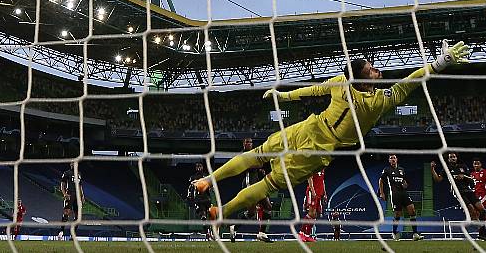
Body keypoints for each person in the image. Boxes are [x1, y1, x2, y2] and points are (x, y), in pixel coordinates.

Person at [190, 42, 471, 233]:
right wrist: (437, 65)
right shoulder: (378, 102)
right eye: (372, 70)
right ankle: (219, 208)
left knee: (259, 155)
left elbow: (313, 91)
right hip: (320, 144)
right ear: (362, 79)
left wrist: (284, 95)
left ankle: (208, 186)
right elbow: (408, 83)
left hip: (310, 127)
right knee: (268, 180)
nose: (378, 71)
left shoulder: (342, 83)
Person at [431, 152, 486, 241]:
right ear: (448, 159)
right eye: (451, 157)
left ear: (456, 158)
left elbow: (471, 178)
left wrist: (464, 176)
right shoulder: (446, 169)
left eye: (454, 156)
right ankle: (483, 232)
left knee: (482, 209)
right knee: (472, 210)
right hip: (458, 192)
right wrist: (432, 169)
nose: (453, 158)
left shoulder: (463, 166)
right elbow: (438, 179)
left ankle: (482, 233)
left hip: (469, 191)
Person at [232, 138, 273, 243]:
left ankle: (235, 228)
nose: (249, 144)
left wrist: (260, 169)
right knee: (265, 207)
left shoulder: (253, 154)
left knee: (253, 212)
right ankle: (261, 233)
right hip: (249, 184)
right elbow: (250, 166)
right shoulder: (242, 155)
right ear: (243, 144)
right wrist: (258, 165)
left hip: (256, 183)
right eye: (247, 142)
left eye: (250, 142)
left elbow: (259, 165)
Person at [379, 154, 421, 241]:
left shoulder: (402, 169)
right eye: (391, 158)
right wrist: (382, 193)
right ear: (389, 160)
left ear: (397, 159)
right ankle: (394, 233)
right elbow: (381, 180)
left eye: (394, 158)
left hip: (403, 193)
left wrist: (405, 185)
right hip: (395, 195)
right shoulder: (387, 169)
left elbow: (405, 182)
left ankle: (415, 234)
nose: (393, 159)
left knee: (412, 210)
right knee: (398, 215)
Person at [186, 162, 212, 240]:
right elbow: (190, 187)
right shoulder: (193, 177)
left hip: (206, 198)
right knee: (203, 216)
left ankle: (210, 232)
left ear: (202, 167)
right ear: (196, 168)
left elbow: (211, 186)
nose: (199, 168)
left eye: (200, 166)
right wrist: (189, 195)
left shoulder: (206, 176)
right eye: (197, 166)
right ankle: (208, 232)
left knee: (208, 216)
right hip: (199, 199)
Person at [299, 168, 326, 242]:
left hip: (319, 193)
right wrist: (313, 191)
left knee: (314, 215)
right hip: (313, 192)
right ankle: (301, 233)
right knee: (311, 213)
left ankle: (307, 235)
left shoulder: (323, 167)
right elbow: (309, 178)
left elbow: (322, 180)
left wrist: (324, 193)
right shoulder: (314, 165)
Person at [59, 163, 83, 239]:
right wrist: (64, 193)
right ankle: (61, 232)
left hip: (77, 196)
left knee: (77, 216)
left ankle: (73, 235)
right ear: (70, 165)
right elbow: (62, 184)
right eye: (72, 163)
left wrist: (82, 195)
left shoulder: (79, 173)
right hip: (70, 194)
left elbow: (80, 185)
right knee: (66, 213)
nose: (74, 165)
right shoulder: (67, 173)